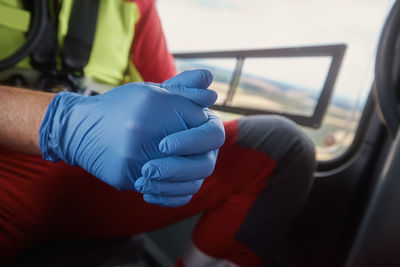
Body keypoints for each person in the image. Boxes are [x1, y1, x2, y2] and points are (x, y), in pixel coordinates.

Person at [0, 0, 316, 266]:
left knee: (278, 147)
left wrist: (194, 134)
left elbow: (170, 100)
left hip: (107, 179)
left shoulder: (134, 6)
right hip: (7, 179)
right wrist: (60, 123)